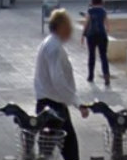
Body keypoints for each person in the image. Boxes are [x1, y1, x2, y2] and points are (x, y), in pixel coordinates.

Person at [34, 9, 88, 160]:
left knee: (48, 152)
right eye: (68, 26)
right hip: (54, 106)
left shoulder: (49, 43)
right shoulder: (54, 48)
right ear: (61, 27)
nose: (70, 31)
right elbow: (58, 81)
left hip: (49, 104)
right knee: (70, 150)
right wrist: (78, 103)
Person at [82, 0, 111, 86]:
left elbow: (86, 24)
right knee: (103, 56)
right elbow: (107, 25)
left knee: (91, 55)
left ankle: (91, 76)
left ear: (92, 2)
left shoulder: (90, 11)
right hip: (102, 35)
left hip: (91, 35)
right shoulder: (103, 11)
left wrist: (83, 35)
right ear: (101, 1)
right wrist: (106, 32)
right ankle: (106, 76)